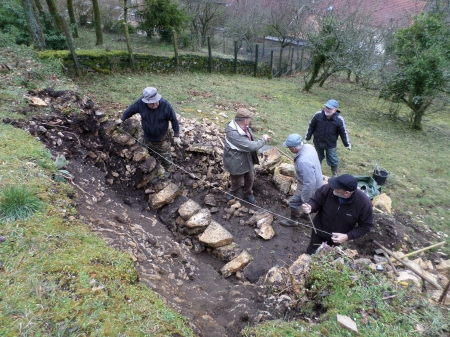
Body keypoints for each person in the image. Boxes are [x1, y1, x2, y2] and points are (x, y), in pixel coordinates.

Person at [116, 87, 181, 177]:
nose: (154, 104)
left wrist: (176, 135)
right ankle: (139, 172)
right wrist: (122, 119)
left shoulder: (165, 105)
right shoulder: (140, 103)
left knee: (167, 161)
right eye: (151, 103)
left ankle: (168, 177)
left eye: (156, 101)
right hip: (146, 137)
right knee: (138, 154)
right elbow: (131, 110)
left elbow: (174, 120)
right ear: (146, 101)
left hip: (161, 139)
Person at [301, 174, 373, 254]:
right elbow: (316, 201)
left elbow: (365, 226)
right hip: (318, 231)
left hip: (337, 239)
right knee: (312, 250)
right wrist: (310, 206)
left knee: (328, 256)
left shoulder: (364, 204)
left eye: (337, 188)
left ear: (347, 193)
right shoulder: (327, 189)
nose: (333, 188)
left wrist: (347, 236)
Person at [223, 108, 270, 203]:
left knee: (250, 178)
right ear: (245, 120)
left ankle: (248, 193)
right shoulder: (234, 134)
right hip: (236, 161)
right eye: (250, 118)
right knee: (237, 181)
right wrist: (263, 139)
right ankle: (232, 193)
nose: (250, 120)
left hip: (247, 158)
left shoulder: (244, 127)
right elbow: (250, 146)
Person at [279, 134, 323, 227]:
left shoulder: (303, 162)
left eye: (289, 147)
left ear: (294, 148)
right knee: (307, 202)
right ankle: (306, 215)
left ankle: (293, 221)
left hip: (311, 186)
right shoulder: (308, 147)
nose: (289, 149)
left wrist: (305, 198)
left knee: (293, 203)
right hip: (317, 180)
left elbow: (310, 183)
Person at [305, 99, 351, 177]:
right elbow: (311, 126)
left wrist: (347, 144)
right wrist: (307, 138)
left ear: (335, 110)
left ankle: (334, 174)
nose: (327, 109)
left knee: (333, 159)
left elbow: (343, 132)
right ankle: (316, 171)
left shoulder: (339, 119)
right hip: (318, 142)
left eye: (329, 108)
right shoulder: (318, 115)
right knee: (317, 157)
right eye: (326, 107)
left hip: (330, 144)